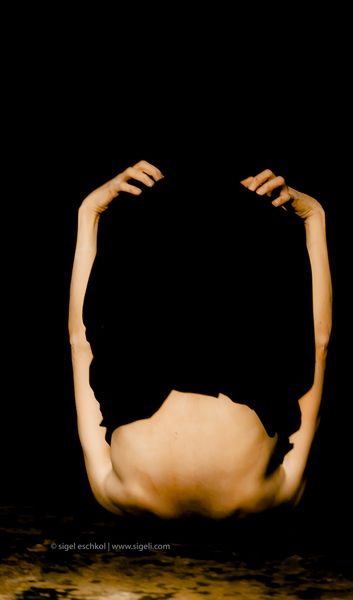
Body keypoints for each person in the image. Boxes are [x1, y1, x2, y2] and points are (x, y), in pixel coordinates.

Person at [68, 159, 332, 518]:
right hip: (201, 356)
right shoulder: (112, 493)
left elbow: (82, 343)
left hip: (170, 357)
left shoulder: (113, 494)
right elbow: (317, 345)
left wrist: (88, 213)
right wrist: (315, 217)